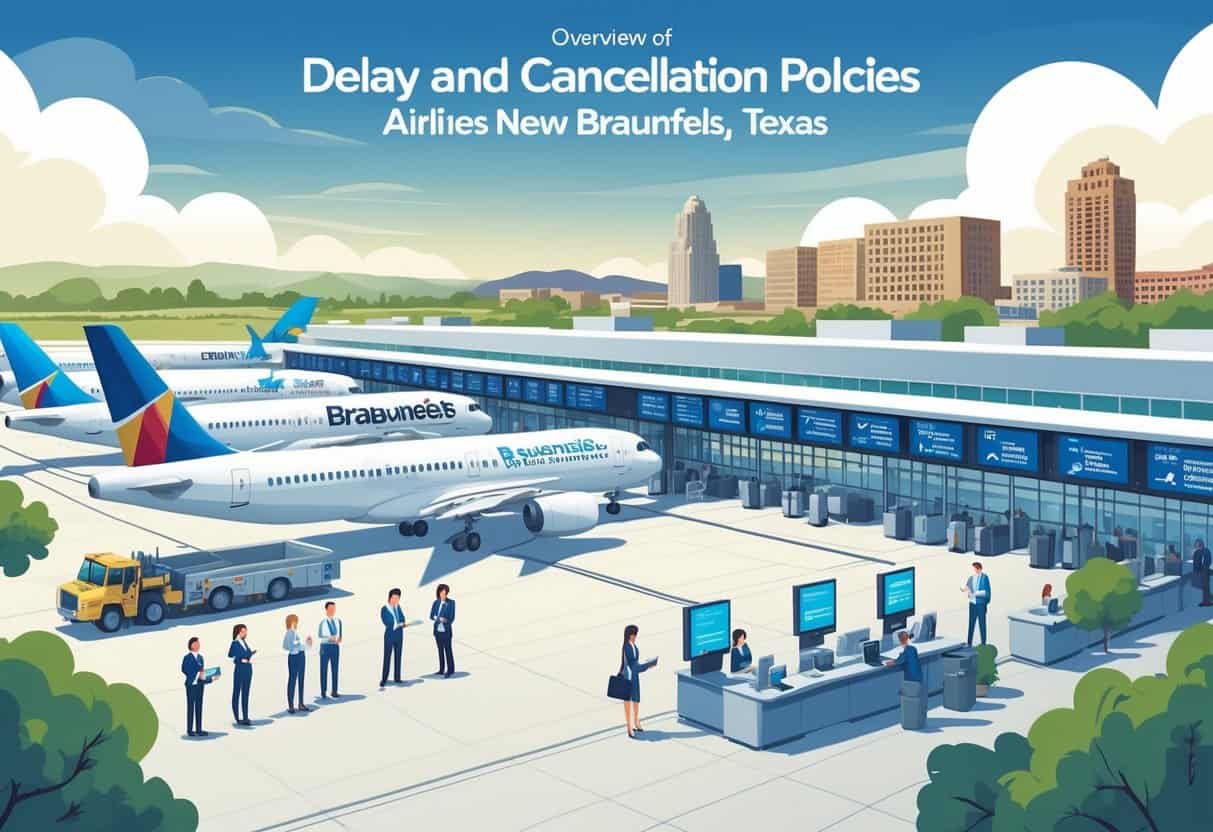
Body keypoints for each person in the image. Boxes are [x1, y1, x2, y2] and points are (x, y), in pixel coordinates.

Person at [619, 624, 656, 739]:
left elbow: (635, 664)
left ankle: (636, 721)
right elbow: (632, 665)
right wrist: (647, 666)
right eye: (634, 634)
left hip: (634, 676)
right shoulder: (627, 647)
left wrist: (645, 665)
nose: (635, 636)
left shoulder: (633, 646)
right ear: (630, 635)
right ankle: (629, 727)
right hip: (628, 676)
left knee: (636, 699)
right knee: (628, 701)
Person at [282, 614, 313, 714]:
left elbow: (298, 646)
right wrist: (300, 646)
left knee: (301, 680)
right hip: (294, 657)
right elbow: (286, 646)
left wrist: (307, 645)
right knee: (292, 680)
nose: (296, 624)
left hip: (301, 656)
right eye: (295, 621)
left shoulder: (295, 633)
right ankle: (291, 706)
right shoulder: (289, 633)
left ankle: (301, 703)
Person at [181, 636, 211, 737]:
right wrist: (196, 674)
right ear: (191, 645)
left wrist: (210, 678)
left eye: (199, 643)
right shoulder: (187, 657)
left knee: (199, 706)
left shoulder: (201, 657)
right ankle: (190, 730)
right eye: (196, 643)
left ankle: (199, 729)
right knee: (191, 707)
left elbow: (202, 672)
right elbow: (184, 669)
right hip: (191, 685)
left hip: (200, 685)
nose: (198, 645)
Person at [228, 623, 255, 726]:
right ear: (238, 632)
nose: (245, 633)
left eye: (245, 631)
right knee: (237, 692)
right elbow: (230, 655)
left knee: (245, 693)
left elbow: (246, 653)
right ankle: (237, 717)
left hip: (248, 669)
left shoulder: (244, 642)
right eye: (243, 631)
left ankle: (245, 717)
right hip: (239, 669)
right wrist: (240, 659)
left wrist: (250, 654)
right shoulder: (235, 643)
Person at [379, 588, 406, 688]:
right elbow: (386, 621)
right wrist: (396, 624)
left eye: (397, 598)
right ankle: (384, 679)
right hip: (390, 636)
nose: (395, 600)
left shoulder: (398, 607)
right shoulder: (385, 608)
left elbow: (402, 617)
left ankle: (397, 677)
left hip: (399, 635)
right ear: (389, 598)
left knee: (398, 656)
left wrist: (402, 623)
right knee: (387, 657)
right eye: (394, 598)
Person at [429, 584, 456, 677]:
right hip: (437, 631)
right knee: (440, 650)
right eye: (441, 593)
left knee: (448, 650)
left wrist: (445, 620)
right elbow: (431, 615)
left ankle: (450, 670)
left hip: (446, 631)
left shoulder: (451, 603)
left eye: (445, 593)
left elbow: (452, 618)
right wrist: (437, 618)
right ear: (439, 593)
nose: (443, 595)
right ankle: (441, 669)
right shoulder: (435, 603)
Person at [962, 562, 991, 646]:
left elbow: (986, 592)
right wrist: (965, 589)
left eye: (976, 568)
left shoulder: (984, 578)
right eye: (974, 569)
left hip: (980, 604)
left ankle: (983, 643)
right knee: (971, 623)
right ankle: (969, 643)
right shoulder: (971, 578)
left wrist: (975, 593)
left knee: (982, 623)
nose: (975, 570)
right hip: (972, 604)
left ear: (980, 569)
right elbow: (967, 586)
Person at [318, 601, 343, 698]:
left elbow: (340, 634)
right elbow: (320, 635)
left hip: (335, 647)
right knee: (323, 669)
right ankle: (323, 691)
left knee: (335, 669)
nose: (332, 611)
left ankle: (334, 690)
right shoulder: (323, 622)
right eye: (330, 609)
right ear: (326, 609)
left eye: (334, 609)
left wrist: (339, 638)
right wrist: (329, 638)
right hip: (325, 646)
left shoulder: (338, 621)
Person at [1194, 538, 1212, 607]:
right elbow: (1196, 562)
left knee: (1206, 586)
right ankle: (1206, 600)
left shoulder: (1206, 551)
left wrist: (1205, 568)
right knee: (1203, 587)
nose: (1196, 545)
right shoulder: (1197, 552)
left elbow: (1209, 560)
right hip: (1200, 572)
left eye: (1197, 543)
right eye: (1196, 544)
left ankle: (1207, 601)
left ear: (1201, 543)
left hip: (1205, 571)